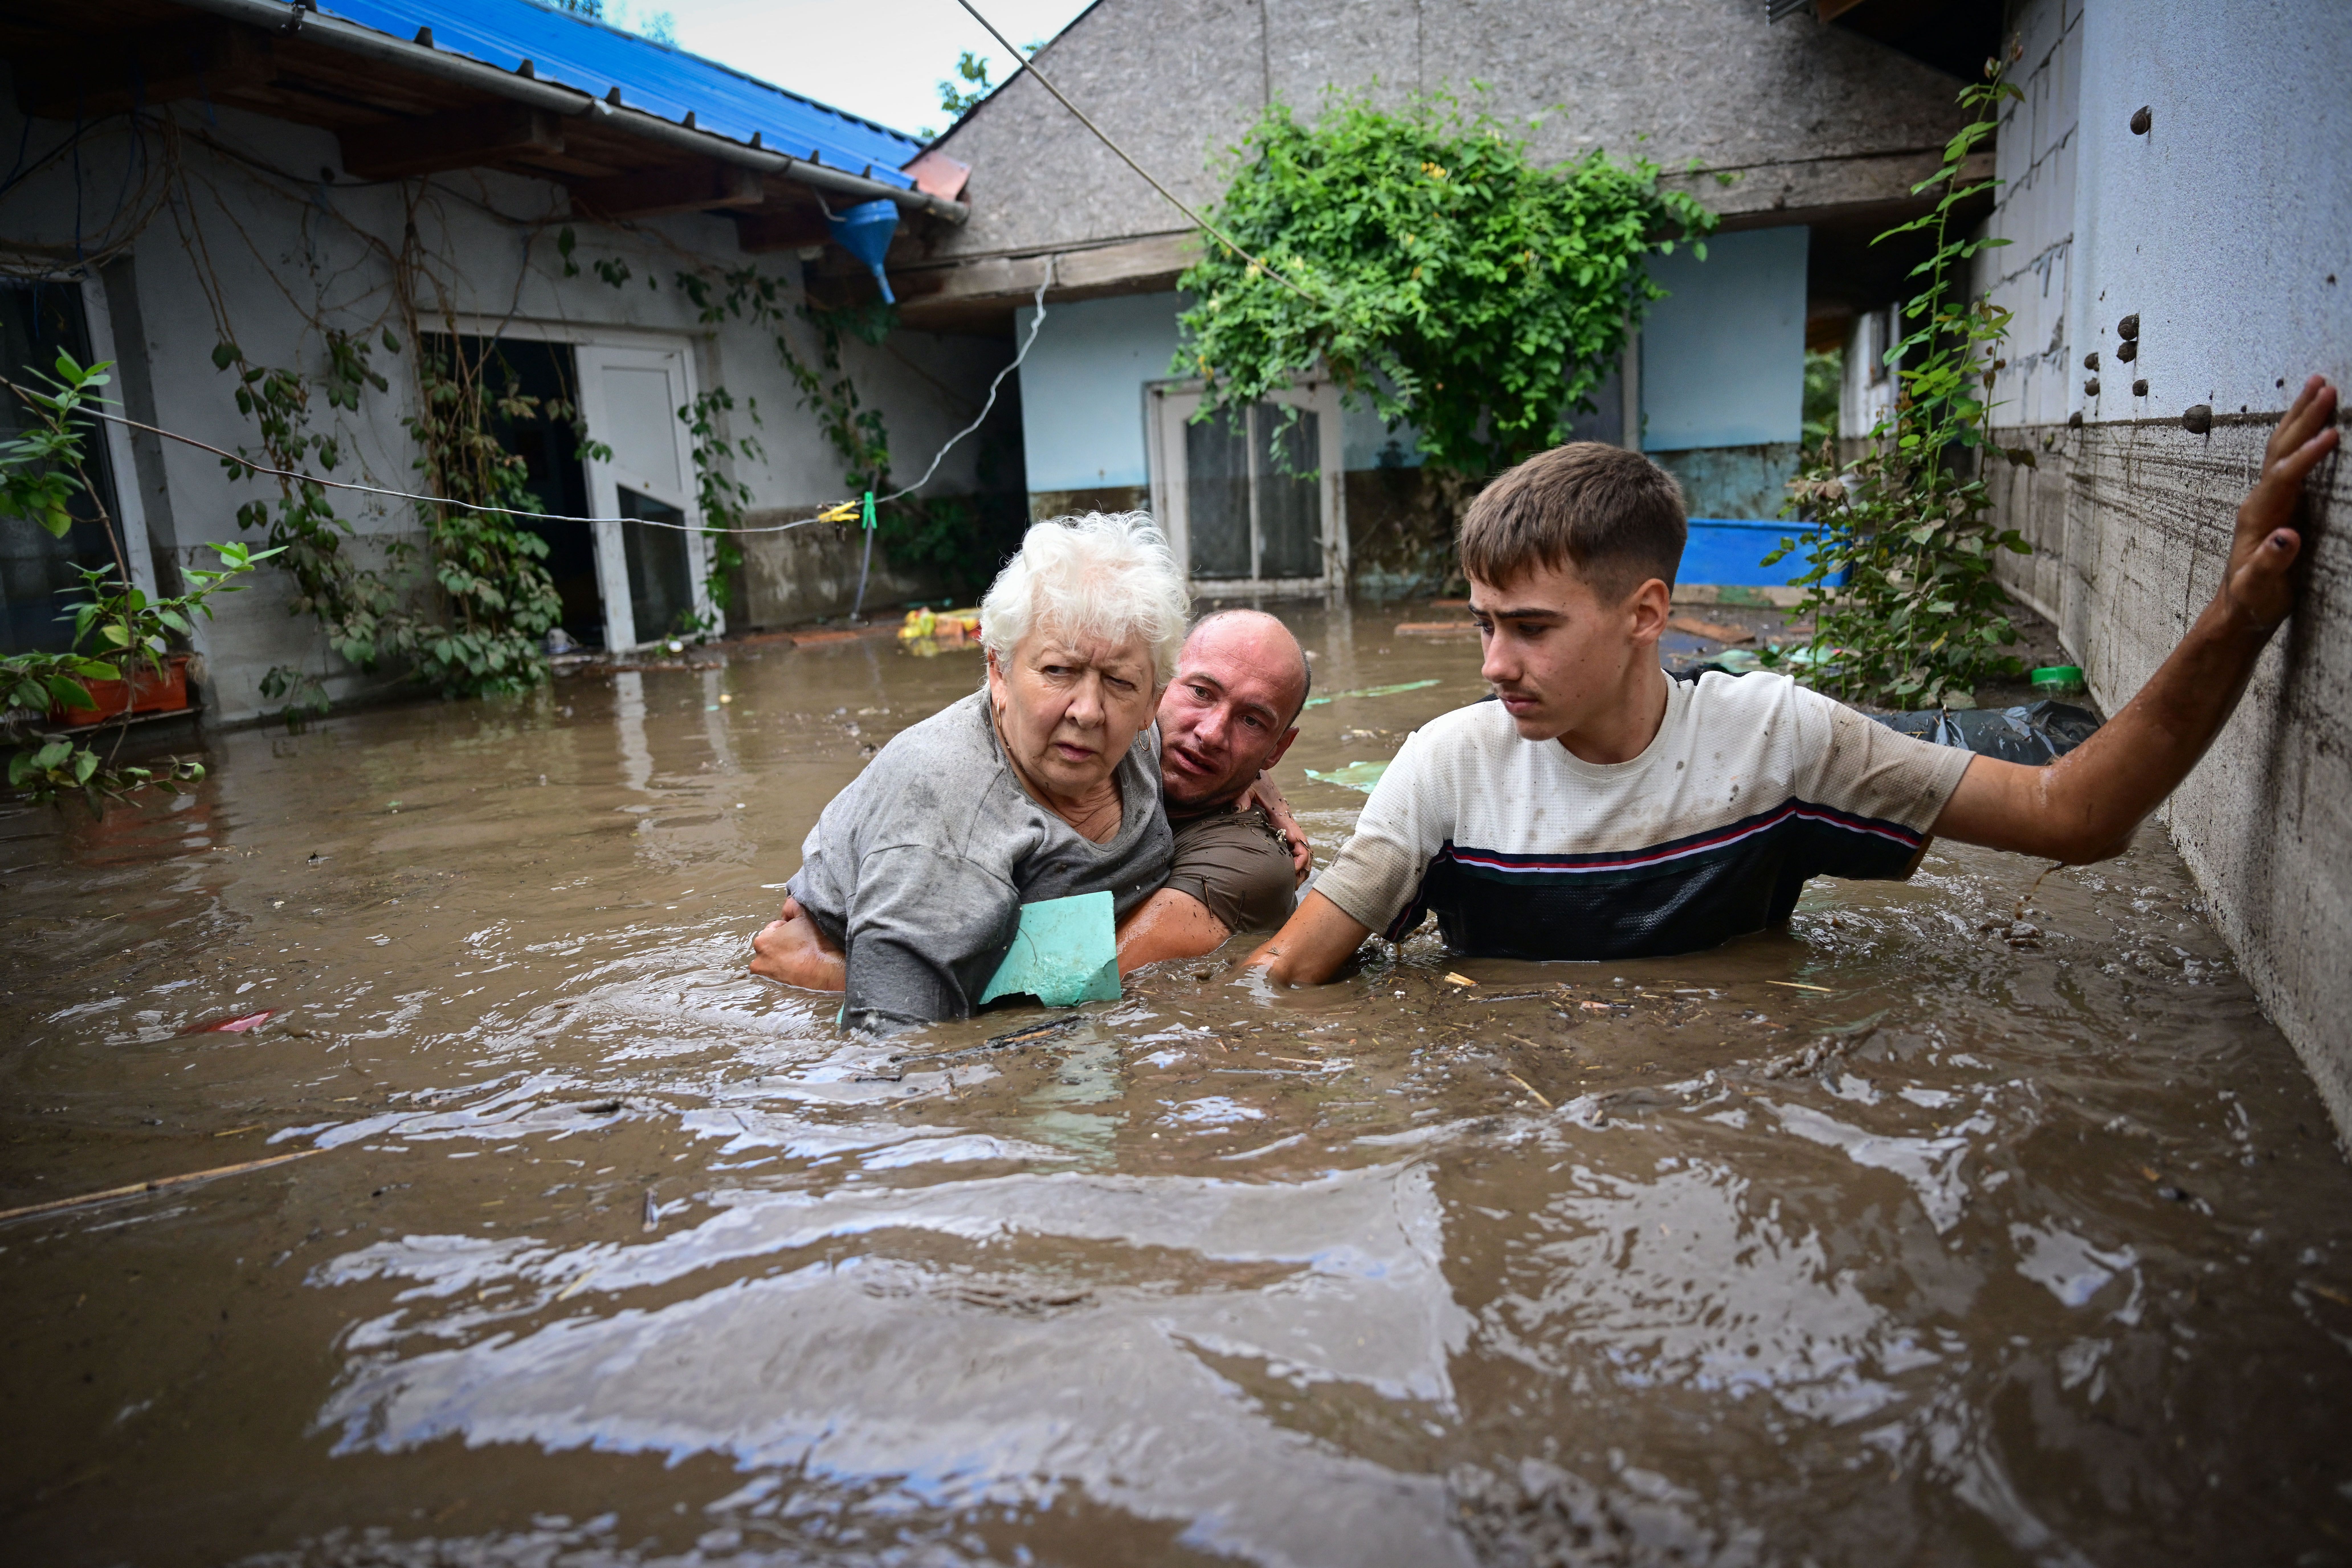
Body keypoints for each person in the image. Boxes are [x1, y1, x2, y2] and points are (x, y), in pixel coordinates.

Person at [1245, 376, 2341, 986]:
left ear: (1647, 615)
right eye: (1483, 625)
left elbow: (2078, 813)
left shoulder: (1776, 740)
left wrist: (2235, 616)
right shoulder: (1446, 767)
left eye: (1529, 629)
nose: (1493, 666)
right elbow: (1282, 983)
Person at [764, 512, 1189, 1032]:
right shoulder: (949, 818)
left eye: (1120, 682)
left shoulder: (1145, 735)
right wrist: (834, 976)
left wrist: (1260, 791)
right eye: (1058, 671)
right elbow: (895, 1046)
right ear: (999, 673)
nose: (1088, 711)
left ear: (1153, 702)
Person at [753, 607, 1315, 996]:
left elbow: (1086, 975)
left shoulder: (1251, 867)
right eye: (1201, 693)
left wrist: (838, 976)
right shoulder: (1108, 729)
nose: (1213, 732)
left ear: (1278, 747)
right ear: (1156, 686)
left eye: (1251, 720)